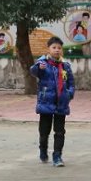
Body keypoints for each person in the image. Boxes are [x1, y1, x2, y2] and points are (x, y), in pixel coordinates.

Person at [29, 36, 76, 167]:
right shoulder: (43, 63)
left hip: (61, 103)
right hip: (46, 103)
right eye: (54, 47)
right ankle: (43, 150)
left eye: (59, 48)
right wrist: (39, 67)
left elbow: (71, 82)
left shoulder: (65, 66)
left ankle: (57, 156)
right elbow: (33, 71)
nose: (56, 50)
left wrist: (69, 94)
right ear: (48, 49)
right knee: (44, 132)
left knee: (60, 132)